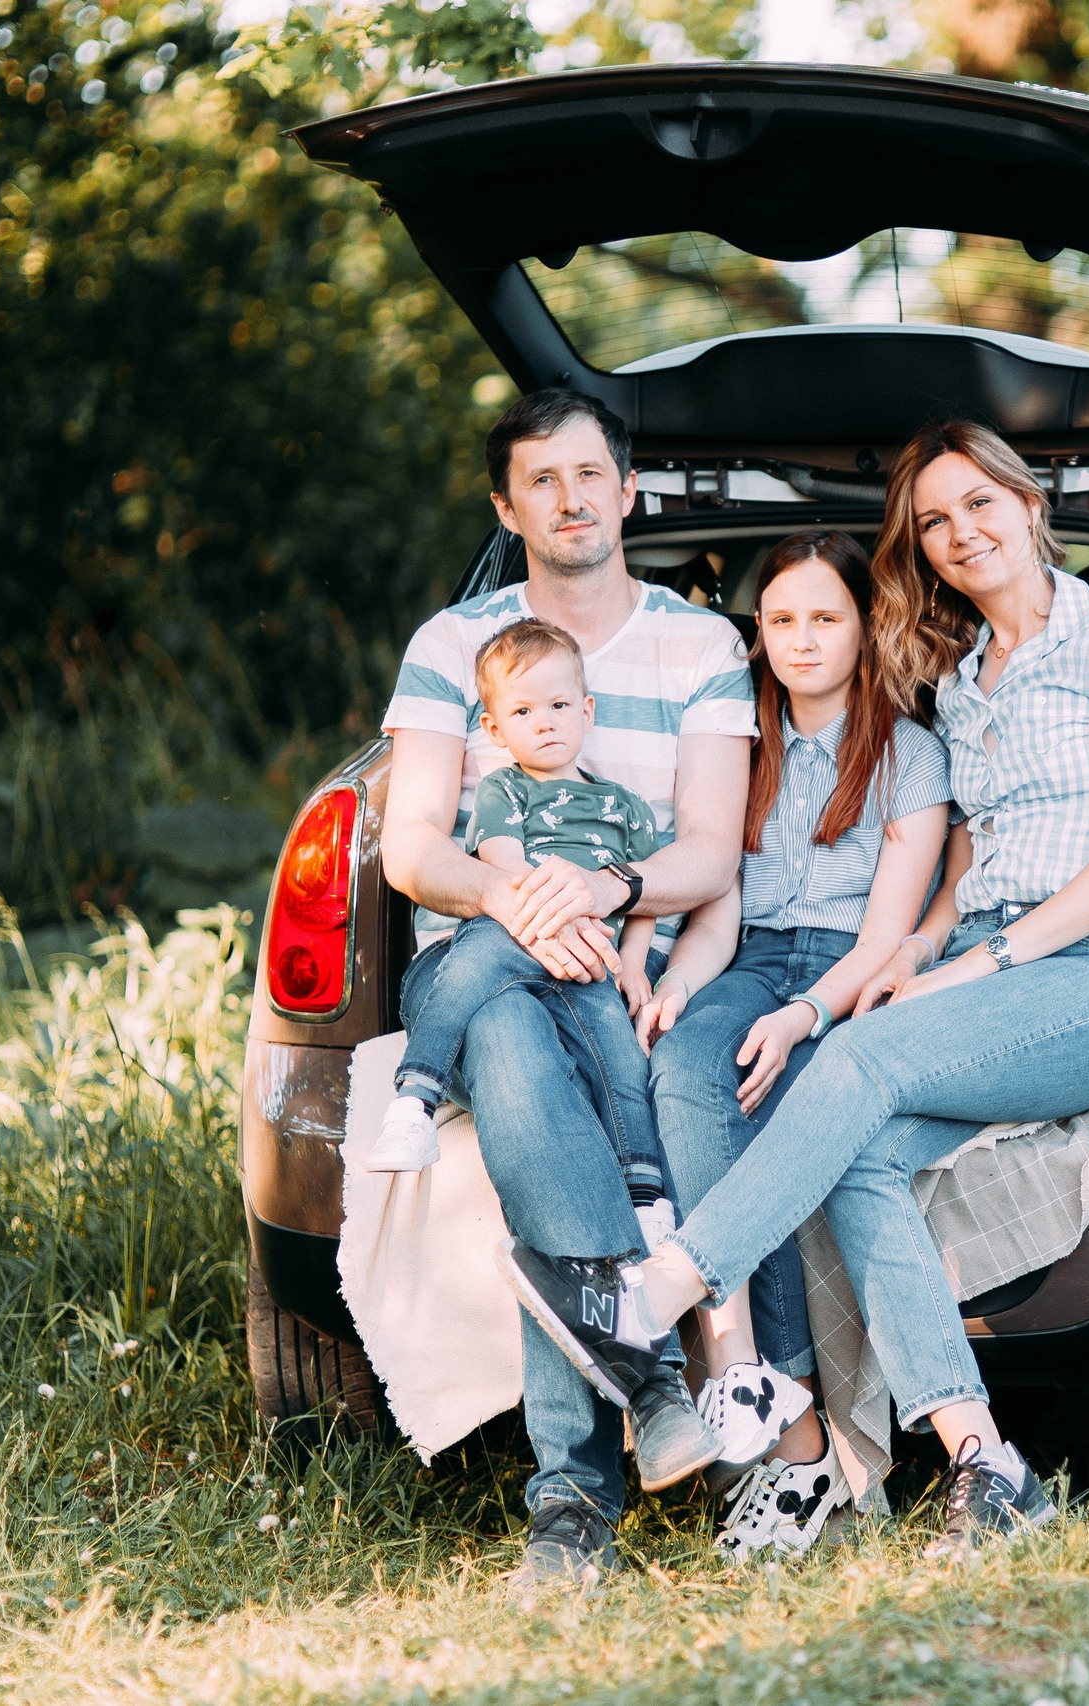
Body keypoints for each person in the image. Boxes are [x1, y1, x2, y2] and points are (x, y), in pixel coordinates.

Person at [505, 418, 1089, 1562]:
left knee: (854, 1061)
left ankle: (653, 1293)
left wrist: (981, 960)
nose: (961, 532)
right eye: (933, 521)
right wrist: (920, 948)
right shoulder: (964, 681)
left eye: (978, 504)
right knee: (863, 1148)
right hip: (980, 962)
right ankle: (987, 1461)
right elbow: (970, 857)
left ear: (1027, 504)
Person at [379, 388, 754, 1594]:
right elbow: (413, 846)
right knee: (502, 1021)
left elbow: (710, 847)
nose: (570, 496)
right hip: (490, 953)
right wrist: (515, 902)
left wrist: (601, 894)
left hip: (619, 954)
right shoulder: (453, 643)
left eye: (589, 474)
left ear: (628, 490)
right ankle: (646, 1384)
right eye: (540, 479)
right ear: (506, 505)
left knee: (532, 1067)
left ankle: (569, 1504)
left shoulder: (701, 645)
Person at [635, 530, 951, 1560]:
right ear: (755, 630)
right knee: (687, 1072)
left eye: (826, 617)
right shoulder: (735, 737)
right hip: (738, 954)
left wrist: (806, 1013)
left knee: (779, 1117)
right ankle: (769, 1402)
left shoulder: (910, 751)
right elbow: (712, 894)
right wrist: (681, 982)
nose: (803, 640)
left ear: (865, 627)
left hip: (840, 978)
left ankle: (795, 1439)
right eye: (780, 620)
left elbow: (886, 937)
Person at [369, 620, 669, 1218]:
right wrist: (554, 921)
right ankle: (415, 1097)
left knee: (619, 1047)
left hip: (592, 956)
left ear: (586, 711)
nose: (546, 721)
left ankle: (646, 1195)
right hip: (517, 931)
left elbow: (642, 895)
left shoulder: (624, 806)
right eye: (524, 711)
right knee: (468, 964)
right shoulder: (504, 791)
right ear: (494, 729)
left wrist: (633, 963)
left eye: (559, 705)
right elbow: (505, 874)